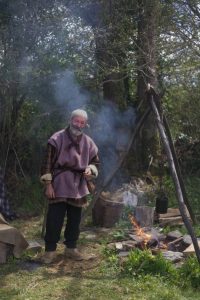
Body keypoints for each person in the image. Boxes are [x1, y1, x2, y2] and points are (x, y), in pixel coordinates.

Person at [40, 109, 99, 264]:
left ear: (85, 124)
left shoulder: (88, 142)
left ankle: (70, 248)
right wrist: (48, 185)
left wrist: (90, 170)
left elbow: (95, 162)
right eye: (76, 121)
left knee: (75, 220)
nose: (78, 125)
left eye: (82, 122)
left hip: (78, 185)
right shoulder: (56, 138)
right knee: (55, 219)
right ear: (70, 120)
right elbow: (46, 164)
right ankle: (50, 251)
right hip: (59, 183)